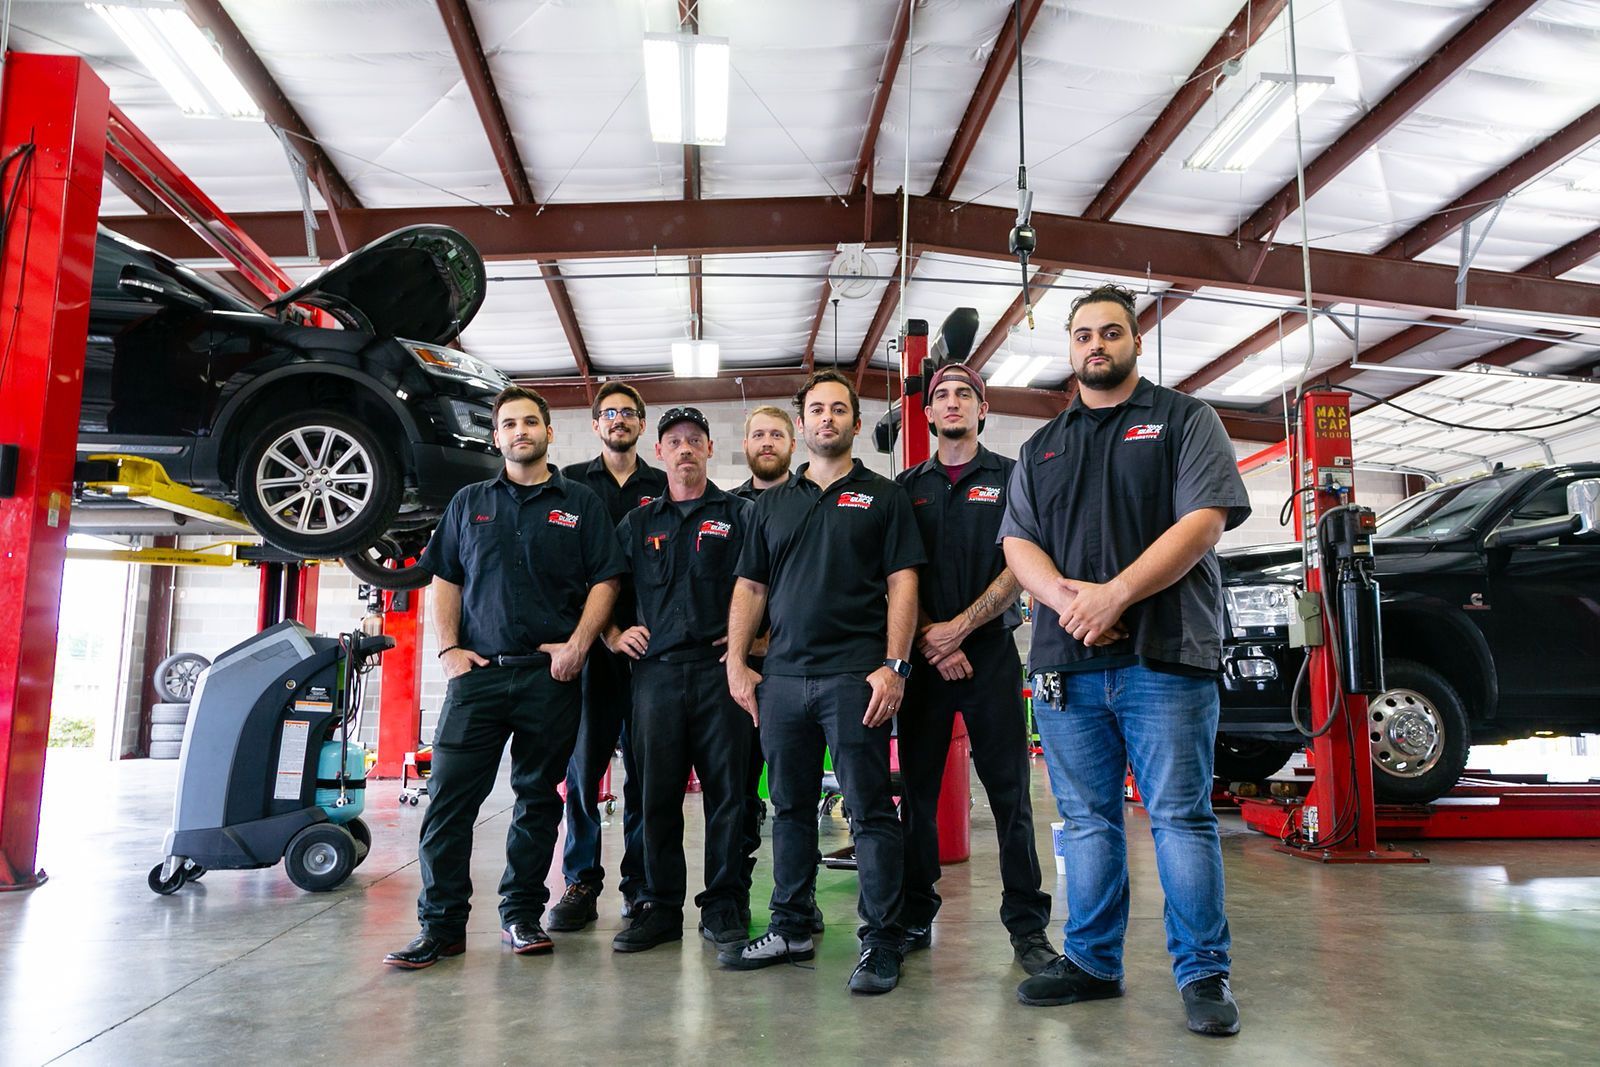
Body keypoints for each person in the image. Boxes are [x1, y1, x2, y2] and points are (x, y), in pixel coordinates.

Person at [999, 284, 1251, 1036]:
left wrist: (1115, 596)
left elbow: (1203, 522)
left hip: (1165, 655)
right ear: (1070, 347)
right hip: (1064, 665)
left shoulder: (1184, 420)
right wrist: (1074, 603)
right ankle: (1092, 961)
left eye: (1110, 332)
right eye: (1082, 335)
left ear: (1135, 341)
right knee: (1085, 822)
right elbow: (1018, 542)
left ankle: (1204, 972)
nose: (1095, 345)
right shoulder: (1042, 444)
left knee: (1178, 816)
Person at [385, 385, 624, 969]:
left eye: (530, 423)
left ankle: (520, 914)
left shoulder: (581, 504)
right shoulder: (469, 502)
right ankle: (440, 926)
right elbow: (446, 577)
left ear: (549, 433)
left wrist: (578, 646)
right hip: (478, 678)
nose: (521, 431)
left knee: (537, 801)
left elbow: (606, 579)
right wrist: (448, 651)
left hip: (551, 679)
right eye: (509, 424)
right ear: (497, 437)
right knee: (448, 803)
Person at [723, 370, 925, 995]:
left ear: (857, 424)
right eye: (817, 410)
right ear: (802, 423)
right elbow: (750, 587)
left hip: (854, 679)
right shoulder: (772, 505)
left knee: (868, 810)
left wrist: (894, 665)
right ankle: (791, 927)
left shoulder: (884, 497)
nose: (828, 419)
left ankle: (882, 940)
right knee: (788, 809)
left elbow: (903, 583)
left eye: (840, 409)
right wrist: (736, 661)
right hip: (781, 680)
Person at [894, 363, 1056, 974]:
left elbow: (1024, 564)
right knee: (918, 793)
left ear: (982, 410)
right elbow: (897, 574)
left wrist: (960, 629)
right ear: (928, 414)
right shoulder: (906, 485)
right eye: (941, 395)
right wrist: (933, 637)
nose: (953, 401)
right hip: (923, 658)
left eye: (965, 393)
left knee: (1011, 795)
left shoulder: (1014, 480)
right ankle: (915, 911)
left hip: (989, 654)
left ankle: (1027, 928)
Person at [608, 407, 754, 954]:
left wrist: (754, 645)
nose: (685, 449)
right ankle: (659, 906)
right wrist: (612, 635)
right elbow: (604, 586)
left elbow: (768, 585)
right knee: (655, 795)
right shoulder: (639, 522)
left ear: (710, 449)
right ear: (661, 451)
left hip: (721, 677)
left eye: (695, 440)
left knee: (729, 796)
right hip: (656, 678)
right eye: (675, 441)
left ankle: (723, 904)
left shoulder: (740, 514)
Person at [548, 382, 667, 932]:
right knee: (583, 772)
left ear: (643, 426)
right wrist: (603, 634)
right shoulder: (569, 485)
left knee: (645, 775)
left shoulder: (664, 487)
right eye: (609, 413)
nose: (618, 420)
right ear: (595, 424)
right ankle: (580, 881)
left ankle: (640, 884)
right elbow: (567, 575)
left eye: (628, 413)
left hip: (650, 659)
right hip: (593, 655)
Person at [728, 404, 826, 935]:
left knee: (797, 794)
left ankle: (801, 903)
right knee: (743, 793)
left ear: (795, 442)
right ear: (745, 445)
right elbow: (741, 586)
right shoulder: (731, 507)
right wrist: (741, 650)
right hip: (744, 674)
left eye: (776, 434)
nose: (767, 442)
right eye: (758, 435)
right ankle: (737, 902)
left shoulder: (816, 501)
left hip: (801, 669)